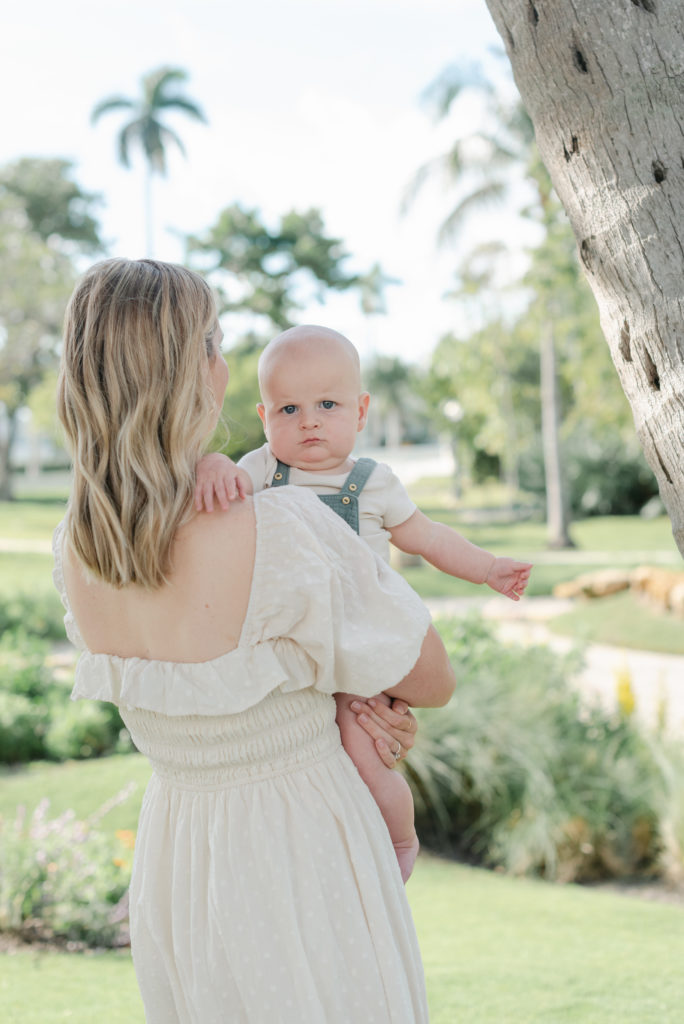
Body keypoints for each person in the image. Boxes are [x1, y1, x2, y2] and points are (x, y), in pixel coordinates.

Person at [53, 258, 456, 1024]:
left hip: (180, 856)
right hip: (299, 849)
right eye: (214, 343)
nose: (226, 364)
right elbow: (431, 677)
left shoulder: (77, 551)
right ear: (189, 372)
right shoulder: (278, 526)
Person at [195, 323, 532, 881]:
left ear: (361, 410)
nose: (308, 421)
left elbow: (428, 537)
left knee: (364, 752)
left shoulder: (373, 483)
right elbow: (224, 487)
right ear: (263, 418)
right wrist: (211, 464)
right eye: (288, 409)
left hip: (362, 644)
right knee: (312, 760)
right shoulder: (262, 470)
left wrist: (488, 569)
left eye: (327, 404)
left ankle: (400, 841)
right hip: (296, 646)